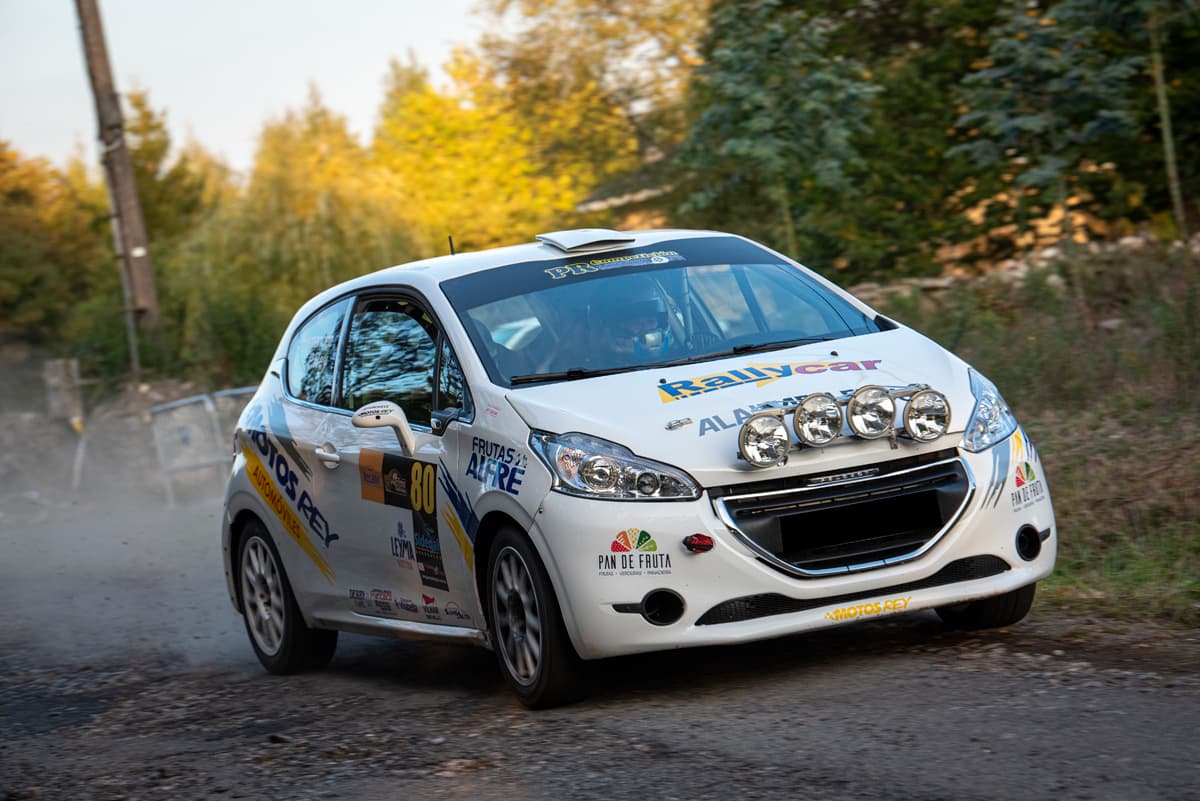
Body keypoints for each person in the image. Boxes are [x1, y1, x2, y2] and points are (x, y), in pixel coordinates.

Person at [587, 275, 675, 363]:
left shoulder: (681, 357)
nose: (647, 328)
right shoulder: (597, 365)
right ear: (614, 326)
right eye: (637, 323)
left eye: (651, 321)